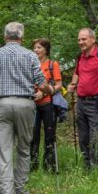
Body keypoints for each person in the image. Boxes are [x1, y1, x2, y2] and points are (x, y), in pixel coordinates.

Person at [0, 22, 51, 194]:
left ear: (5, 37)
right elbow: (41, 82)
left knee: (4, 150)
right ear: (22, 38)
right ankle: (20, 190)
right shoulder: (30, 55)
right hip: (26, 103)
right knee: (24, 148)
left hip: (1, 103)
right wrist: (50, 90)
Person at [67, 28, 98, 169]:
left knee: (95, 136)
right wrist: (73, 83)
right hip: (80, 102)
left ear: (93, 39)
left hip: (96, 101)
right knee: (83, 137)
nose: (81, 42)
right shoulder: (81, 56)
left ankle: (96, 167)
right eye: (79, 39)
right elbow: (77, 72)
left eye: (84, 39)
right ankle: (86, 166)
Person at [30, 38, 63, 173]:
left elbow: (59, 85)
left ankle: (49, 166)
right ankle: (33, 165)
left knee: (50, 135)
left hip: (48, 104)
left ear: (46, 49)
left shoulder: (52, 64)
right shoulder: (30, 64)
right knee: (33, 135)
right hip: (32, 104)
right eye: (35, 48)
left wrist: (43, 93)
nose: (36, 50)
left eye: (39, 47)